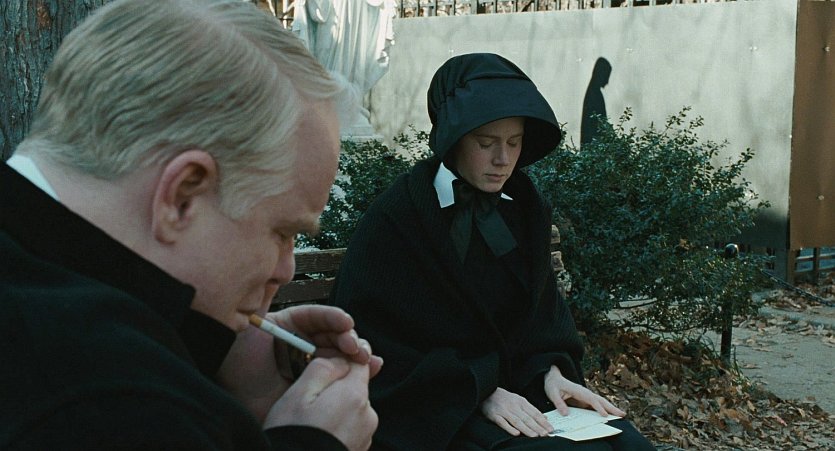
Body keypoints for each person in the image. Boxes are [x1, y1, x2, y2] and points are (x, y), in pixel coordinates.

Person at [1, 0, 381, 449]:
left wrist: (208, 355)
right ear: (182, 196)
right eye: (283, 233)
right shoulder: (118, 400)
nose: (285, 269)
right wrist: (312, 443)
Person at [329, 53, 655, 450]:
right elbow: (373, 342)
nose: (503, 159)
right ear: (453, 140)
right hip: (435, 410)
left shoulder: (523, 206)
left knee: (627, 444)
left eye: (514, 142)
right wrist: (476, 390)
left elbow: (540, 316)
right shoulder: (399, 217)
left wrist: (551, 372)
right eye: (486, 143)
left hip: (522, 392)